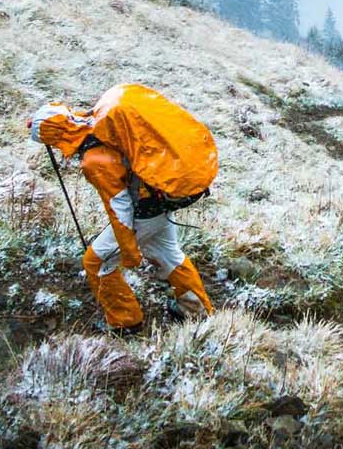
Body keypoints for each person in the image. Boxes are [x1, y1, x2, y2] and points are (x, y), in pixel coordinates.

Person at [28, 84, 215, 334]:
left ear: (56, 138)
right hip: (160, 201)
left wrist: (129, 251)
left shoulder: (94, 159)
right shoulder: (99, 122)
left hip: (144, 214)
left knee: (96, 262)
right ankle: (198, 311)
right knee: (169, 254)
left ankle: (125, 322)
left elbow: (120, 207)